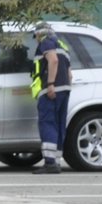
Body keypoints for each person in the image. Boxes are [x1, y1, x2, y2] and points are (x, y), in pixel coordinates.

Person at [31, 21, 72, 174]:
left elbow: (53, 60)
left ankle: (49, 163)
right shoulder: (62, 45)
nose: (35, 39)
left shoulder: (46, 43)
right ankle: (56, 161)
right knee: (60, 124)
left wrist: (50, 84)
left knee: (48, 123)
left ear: (40, 34)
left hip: (51, 89)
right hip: (65, 89)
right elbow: (69, 73)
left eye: (35, 36)